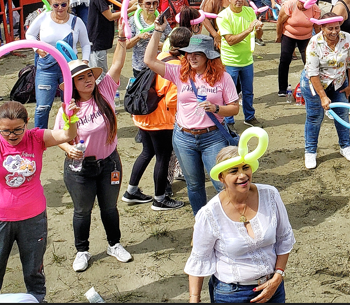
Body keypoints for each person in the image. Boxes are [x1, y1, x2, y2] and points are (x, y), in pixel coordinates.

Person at [55, 26, 131, 273]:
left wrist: (120, 38)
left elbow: (118, 64)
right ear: (72, 84)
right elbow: (58, 138)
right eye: (81, 78)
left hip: (109, 163)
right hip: (80, 168)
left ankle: (114, 244)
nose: (88, 80)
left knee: (110, 207)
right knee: (82, 211)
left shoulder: (106, 91)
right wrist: (69, 148)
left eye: (89, 75)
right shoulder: (68, 108)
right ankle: (82, 250)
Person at [144, 31, 240, 215]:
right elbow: (149, 60)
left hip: (213, 137)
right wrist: (157, 31)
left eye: (197, 53)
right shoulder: (179, 72)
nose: (192, 57)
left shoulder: (223, 78)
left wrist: (216, 108)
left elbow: (234, 108)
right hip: (184, 138)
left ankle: (230, 221)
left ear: (208, 56)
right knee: (194, 185)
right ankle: (201, 222)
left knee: (222, 183)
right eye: (189, 53)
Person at [185, 146, 294, 303]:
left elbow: (284, 238)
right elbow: (199, 258)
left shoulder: (270, 195)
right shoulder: (210, 214)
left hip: (272, 288)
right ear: (221, 178)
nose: (242, 175)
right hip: (231, 295)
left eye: (245, 167)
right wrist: (194, 299)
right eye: (233, 171)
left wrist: (278, 275)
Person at [0, 99, 79, 301]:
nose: (11, 136)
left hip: (33, 217)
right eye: (5, 131)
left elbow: (68, 135)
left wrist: (70, 118)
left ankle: (37, 299)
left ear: (27, 123)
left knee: (34, 269)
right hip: (2, 218)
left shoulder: (36, 137)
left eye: (17, 130)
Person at [124, 26, 188, 211]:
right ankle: (160, 199)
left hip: (144, 114)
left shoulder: (161, 56)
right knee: (163, 157)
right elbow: (173, 98)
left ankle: (131, 191)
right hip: (161, 119)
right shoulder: (178, 66)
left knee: (146, 152)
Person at [26, 0, 91, 128]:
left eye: (63, 4)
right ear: (51, 4)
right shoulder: (43, 17)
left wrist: (85, 61)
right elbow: (29, 34)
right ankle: (39, 136)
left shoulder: (76, 21)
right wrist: (37, 48)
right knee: (42, 107)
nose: (60, 8)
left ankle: (69, 135)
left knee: (70, 104)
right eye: (56, 5)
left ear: (68, 4)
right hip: (46, 67)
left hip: (69, 68)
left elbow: (85, 44)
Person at [302, 12, 350, 169]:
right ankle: (310, 151)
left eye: (337, 28)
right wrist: (323, 96)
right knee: (315, 117)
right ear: (322, 28)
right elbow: (312, 73)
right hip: (316, 84)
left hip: (339, 82)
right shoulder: (314, 43)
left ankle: (345, 146)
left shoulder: (346, 38)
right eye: (330, 29)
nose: (334, 32)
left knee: (342, 114)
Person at [217, 0, 263, 127]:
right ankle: (229, 121)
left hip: (247, 58)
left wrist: (259, 30)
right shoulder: (223, 16)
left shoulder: (249, 12)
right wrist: (249, 29)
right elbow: (230, 40)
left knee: (248, 92)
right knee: (229, 93)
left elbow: (257, 36)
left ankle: (249, 116)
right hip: (230, 60)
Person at [276, 0, 321, 97]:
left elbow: (317, 27)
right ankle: (282, 88)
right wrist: (278, 36)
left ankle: (312, 86)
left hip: (306, 37)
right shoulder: (289, 5)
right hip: (288, 35)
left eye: (304, 5)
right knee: (285, 59)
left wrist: (319, 40)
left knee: (309, 62)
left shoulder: (315, 9)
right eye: (300, 3)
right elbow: (280, 22)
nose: (301, 6)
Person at [86, 0, 120, 77]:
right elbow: (110, 16)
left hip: (102, 38)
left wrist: (140, 0)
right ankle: (101, 92)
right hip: (97, 40)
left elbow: (122, 4)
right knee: (100, 72)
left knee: (100, 69)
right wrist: (129, 10)